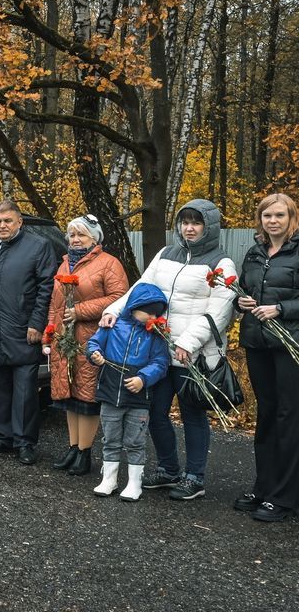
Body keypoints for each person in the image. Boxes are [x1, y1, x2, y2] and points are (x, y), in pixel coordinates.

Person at [101, 199, 237, 501]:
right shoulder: (166, 254)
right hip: (158, 351)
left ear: (209, 227)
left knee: (192, 415)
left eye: (196, 222)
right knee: (155, 412)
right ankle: (168, 469)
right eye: (185, 222)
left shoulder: (221, 263)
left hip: (194, 355)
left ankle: (194, 478)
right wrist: (113, 310)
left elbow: (219, 312)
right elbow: (141, 288)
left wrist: (186, 343)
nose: (189, 228)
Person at [0, 199, 58, 464]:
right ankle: (3, 436)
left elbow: (45, 289)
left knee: (26, 392)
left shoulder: (37, 246)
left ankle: (25, 442)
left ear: (20, 222)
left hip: (22, 329)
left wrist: (37, 323)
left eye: (8, 221)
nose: (2, 226)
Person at [45, 215, 128, 476]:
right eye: (72, 234)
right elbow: (54, 302)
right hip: (64, 339)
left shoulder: (108, 263)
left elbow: (119, 298)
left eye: (81, 234)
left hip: (91, 338)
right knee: (69, 397)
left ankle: (85, 452)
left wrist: (80, 311)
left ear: (95, 238)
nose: (76, 239)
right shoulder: (65, 264)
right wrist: (50, 331)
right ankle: (73, 447)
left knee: (87, 396)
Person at [234, 193, 299, 522]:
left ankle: (284, 497)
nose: (272, 221)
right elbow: (245, 291)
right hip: (257, 342)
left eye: (279, 215)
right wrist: (241, 303)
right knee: (267, 414)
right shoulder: (255, 252)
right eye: (266, 216)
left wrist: (281, 309)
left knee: (289, 418)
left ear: (291, 218)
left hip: (290, 347)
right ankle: (264, 486)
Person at [86, 283, 170, 501]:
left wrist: (143, 378)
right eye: (148, 311)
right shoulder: (112, 325)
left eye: (156, 312)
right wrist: (94, 353)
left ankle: (135, 483)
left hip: (138, 398)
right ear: (134, 306)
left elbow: (160, 362)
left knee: (135, 441)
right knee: (110, 438)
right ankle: (109, 479)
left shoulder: (156, 335)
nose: (152, 316)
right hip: (110, 392)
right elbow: (94, 343)